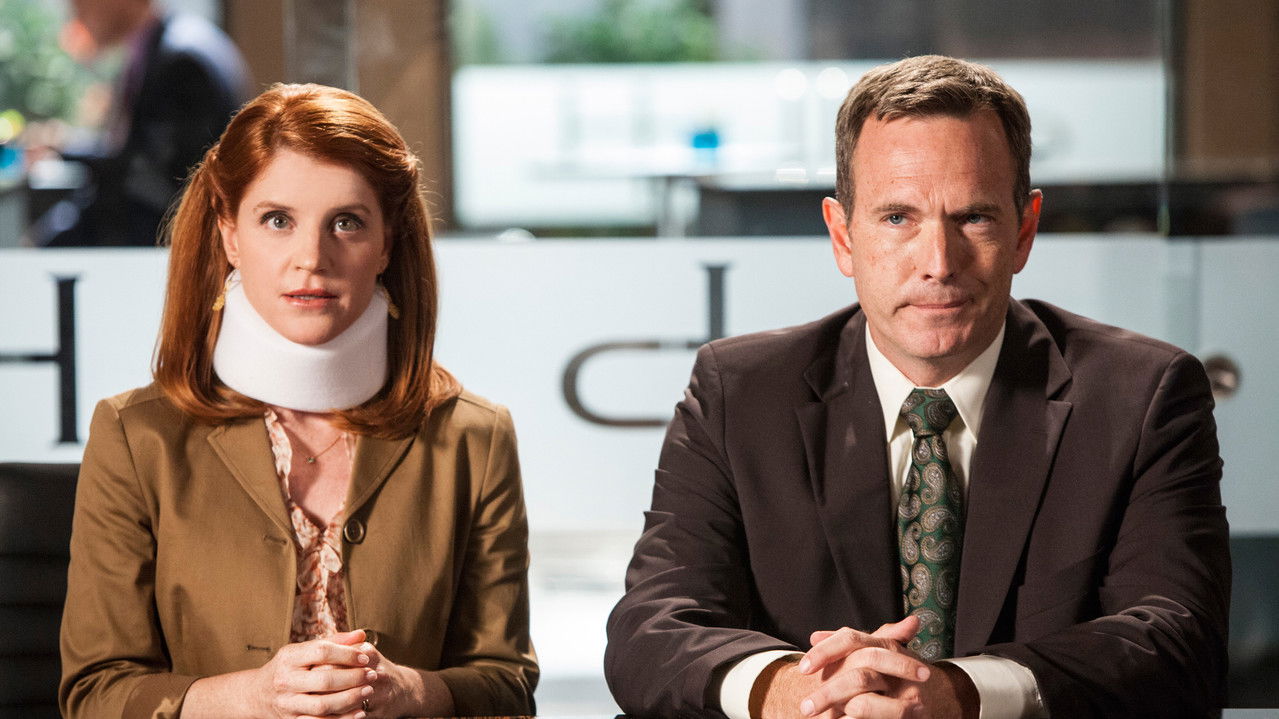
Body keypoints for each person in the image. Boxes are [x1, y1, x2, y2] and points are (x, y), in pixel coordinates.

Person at [605, 55, 1229, 719]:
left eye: (973, 217)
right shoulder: (740, 393)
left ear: (1023, 231)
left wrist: (961, 692)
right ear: (842, 236)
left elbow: (1179, 643)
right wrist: (791, 689)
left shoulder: (1141, 395)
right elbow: (651, 630)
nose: (938, 263)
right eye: (898, 218)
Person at [60, 84, 537, 719]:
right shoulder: (136, 437)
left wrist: (411, 691)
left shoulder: (474, 438)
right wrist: (247, 698)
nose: (311, 258)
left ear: (388, 244)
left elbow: (507, 686)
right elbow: (93, 692)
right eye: (277, 220)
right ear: (230, 235)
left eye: (347, 222)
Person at [31, 0, 250, 247]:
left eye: (82, 3)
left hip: (166, 243)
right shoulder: (160, 47)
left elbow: (164, 179)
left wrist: (66, 153)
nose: (74, 11)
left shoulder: (183, 62)